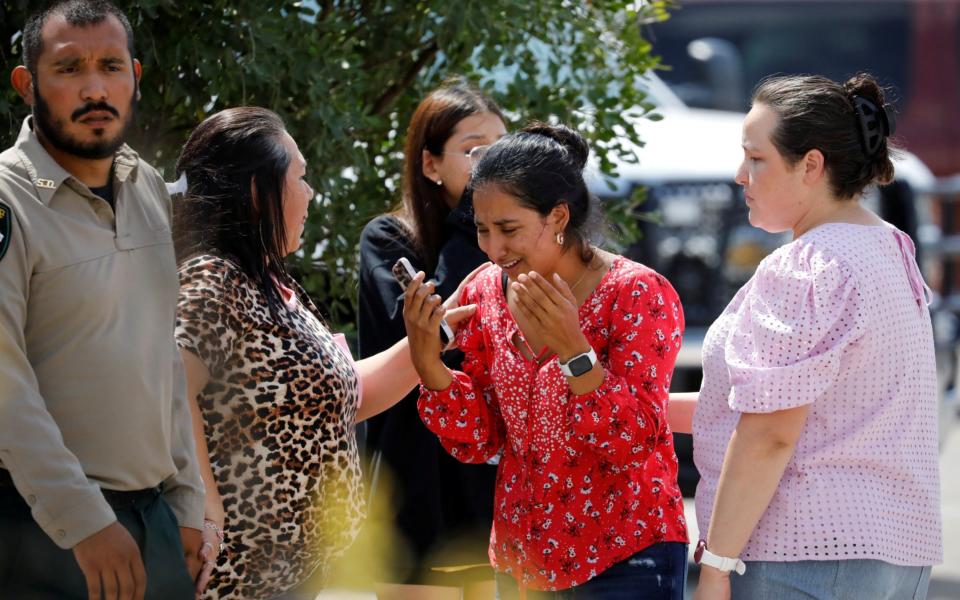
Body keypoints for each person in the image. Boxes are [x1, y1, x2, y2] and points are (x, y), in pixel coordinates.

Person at [171, 106, 478, 599]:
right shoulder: (214, 277)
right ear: (258, 189)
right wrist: (204, 509)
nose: (312, 194)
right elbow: (170, 388)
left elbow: (347, 396)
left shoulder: (271, 282)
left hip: (292, 575)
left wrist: (439, 332)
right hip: (236, 576)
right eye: (301, 177)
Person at [403, 123, 689, 599]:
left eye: (508, 229)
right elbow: (482, 440)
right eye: (481, 229)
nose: (494, 248)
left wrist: (575, 354)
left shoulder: (637, 293)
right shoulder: (484, 289)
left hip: (626, 555)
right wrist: (427, 361)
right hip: (521, 562)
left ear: (557, 216)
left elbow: (636, 441)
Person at [689, 74, 943, 600]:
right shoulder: (891, 249)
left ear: (811, 165)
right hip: (899, 553)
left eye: (756, 159)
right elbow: (812, 411)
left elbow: (769, 433)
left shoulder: (805, 265)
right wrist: (634, 403)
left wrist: (716, 563)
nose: (741, 175)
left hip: (804, 553)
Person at [0, 1, 206, 599]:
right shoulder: (9, 199)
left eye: (111, 66)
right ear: (26, 84)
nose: (95, 88)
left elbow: (159, 351)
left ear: (135, 75)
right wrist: (84, 521)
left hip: (155, 522)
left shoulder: (144, 184)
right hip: (42, 530)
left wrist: (187, 499)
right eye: (68, 69)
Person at [357, 79, 507, 581]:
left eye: (500, 151)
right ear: (430, 164)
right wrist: (474, 217)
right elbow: (432, 327)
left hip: (492, 485)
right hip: (417, 483)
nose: (489, 164)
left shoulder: (514, 246)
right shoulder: (387, 239)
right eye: (474, 152)